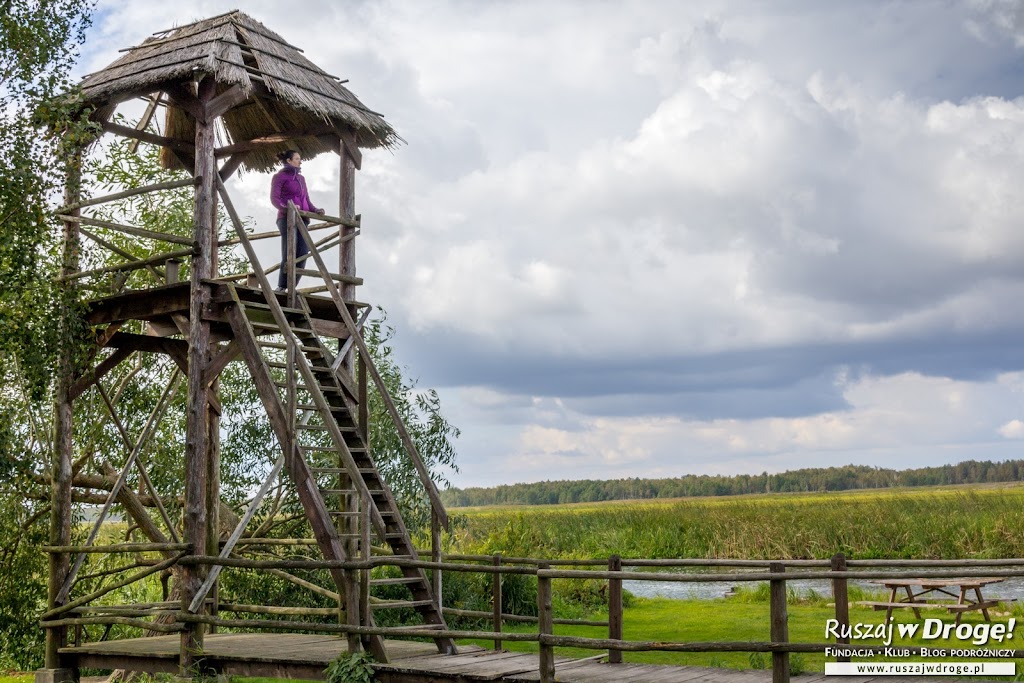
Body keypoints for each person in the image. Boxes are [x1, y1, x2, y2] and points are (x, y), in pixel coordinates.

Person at [270, 149, 325, 291]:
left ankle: (291, 287)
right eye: (297, 158)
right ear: (288, 161)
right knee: (289, 251)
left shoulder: (301, 179)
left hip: (303, 219)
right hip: (286, 218)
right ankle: (281, 286)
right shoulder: (279, 177)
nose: (300, 161)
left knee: (302, 252)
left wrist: (315, 210)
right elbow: (275, 199)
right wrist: (288, 208)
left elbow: (306, 200)